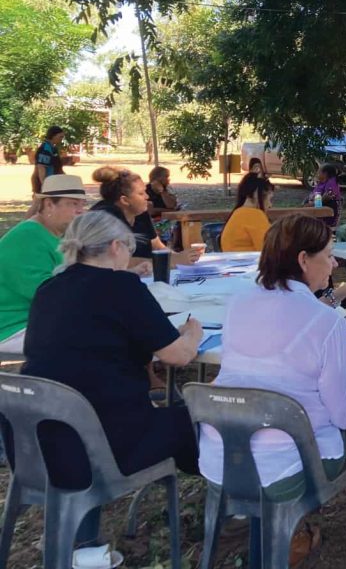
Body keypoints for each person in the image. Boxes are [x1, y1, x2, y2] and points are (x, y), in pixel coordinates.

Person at [198, 215, 346, 543]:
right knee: (330, 412)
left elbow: (292, 314)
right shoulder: (327, 324)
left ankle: (295, 528)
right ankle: (295, 529)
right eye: (329, 254)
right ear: (303, 259)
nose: (334, 262)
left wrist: (342, 293)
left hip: (219, 464)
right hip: (283, 471)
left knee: (312, 402)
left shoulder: (238, 304)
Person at [19, 211, 203, 552]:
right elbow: (178, 356)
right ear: (117, 246)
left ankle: (83, 544)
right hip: (103, 447)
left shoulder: (49, 289)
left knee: (92, 407)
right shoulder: (122, 287)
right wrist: (193, 333)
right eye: (129, 250)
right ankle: (233, 509)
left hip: (35, 443)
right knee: (192, 420)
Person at [0, 175, 87, 352]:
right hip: (14, 326)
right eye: (73, 203)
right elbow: (46, 295)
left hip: (42, 320)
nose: (80, 211)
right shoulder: (27, 237)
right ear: (49, 204)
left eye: (81, 204)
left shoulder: (59, 234)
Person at [90, 166, 197, 269]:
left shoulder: (140, 212)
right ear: (124, 200)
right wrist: (172, 261)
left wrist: (182, 257)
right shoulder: (103, 218)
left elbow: (158, 246)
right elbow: (113, 261)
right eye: (141, 193)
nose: (147, 196)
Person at [221, 175, 274, 252]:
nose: (270, 205)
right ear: (256, 194)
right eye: (270, 199)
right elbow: (269, 249)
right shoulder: (255, 215)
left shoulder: (238, 213)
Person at [305, 164, 343, 229]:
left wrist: (309, 205)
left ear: (325, 174)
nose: (316, 173)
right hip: (315, 210)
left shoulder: (331, 183)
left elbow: (322, 201)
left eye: (318, 171)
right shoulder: (322, 183)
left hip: (325, 215)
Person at [31, 125, 65, 195]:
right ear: (53, 136)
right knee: (38, 204)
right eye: (60, 137)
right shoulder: (45, 148)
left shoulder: (53, 148)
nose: (61, 139)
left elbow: (57, 166)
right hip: (43, 182)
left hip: (52, 182)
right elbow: (41, 168)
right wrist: (44, 185)